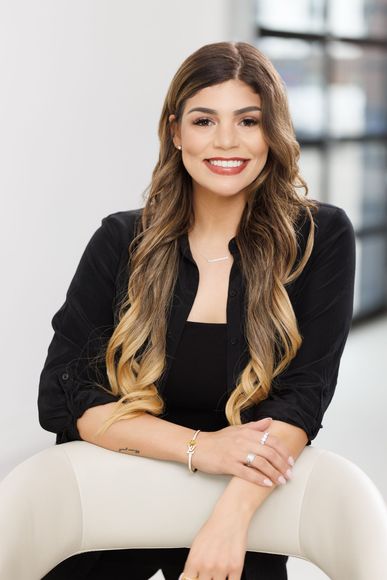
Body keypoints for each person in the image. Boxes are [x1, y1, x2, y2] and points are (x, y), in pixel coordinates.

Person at [38, 40, 356, 580]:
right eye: (204, 120)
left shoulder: (318, 238)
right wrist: (200, 448)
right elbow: (63, 395)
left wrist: (230, 518)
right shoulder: (121, 240)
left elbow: (304, 399)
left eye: (248, 120)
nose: (226, 141)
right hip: (118, 497)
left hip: (244, 496)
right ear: (175, 131)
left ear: (271, 133)